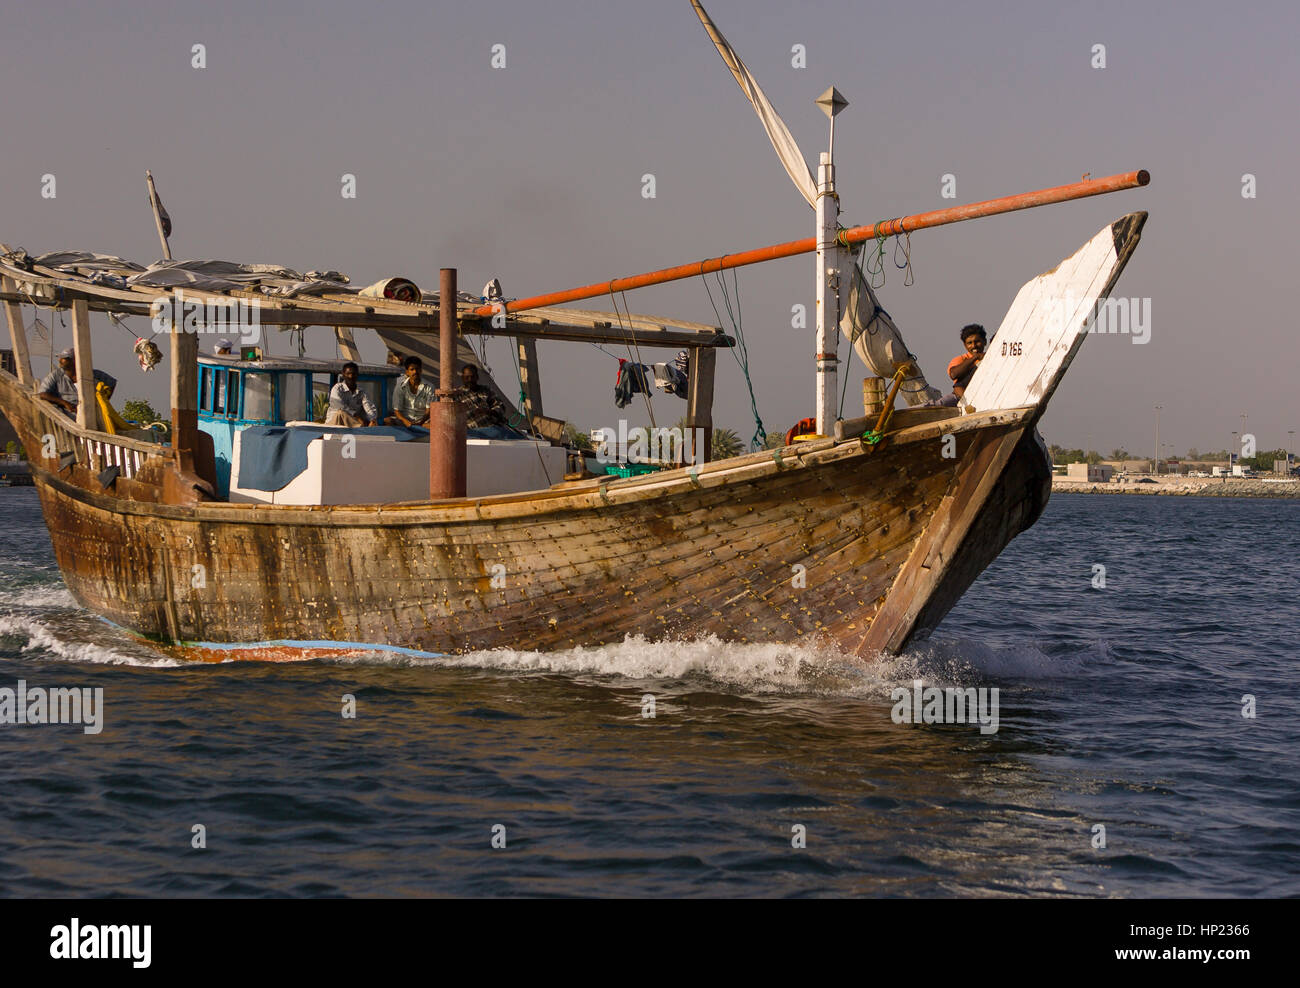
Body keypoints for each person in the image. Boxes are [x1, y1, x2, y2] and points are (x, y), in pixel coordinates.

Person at [36, 348, 117, 417]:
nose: (60, 360)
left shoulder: (91, 374)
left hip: (91, 416)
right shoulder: (56, 375)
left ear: (73, 360)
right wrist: (64, 403)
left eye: (64, 358)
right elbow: (42, 394)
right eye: (60, 357)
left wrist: (104, 401)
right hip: (68, 417)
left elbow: (112, 383)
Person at [453, 364, 519, 437]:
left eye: (472, 377)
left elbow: (501, 407)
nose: (470, 379)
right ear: (462, 378)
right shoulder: (458, 395)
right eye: (467, 377)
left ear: (477, 377)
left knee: (519, 437)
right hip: (475, 431)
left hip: (497, 427)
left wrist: (488, 411)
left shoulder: (486, 390)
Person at [324, 361, 378, 427]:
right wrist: (357, 417)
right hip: (334, 424)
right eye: (348, 373)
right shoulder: (337, 389)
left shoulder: (361, 392)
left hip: (351, 426)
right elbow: (341, 407)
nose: (351, 376)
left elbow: (368, 406)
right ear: (343, 375)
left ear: (357, 375)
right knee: (341, 413)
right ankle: (361, 428)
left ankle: (363, 429)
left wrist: (372, 419)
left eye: (353, 374)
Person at [387, 355, 436, 427]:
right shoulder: (400, 387)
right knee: (387, 421)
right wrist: (405, 421)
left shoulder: (429, 387)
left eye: (417, 369)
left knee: (436, 426)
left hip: (423, 423)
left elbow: (429, 410)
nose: (415, 372)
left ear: (421, 370)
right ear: (407, 372)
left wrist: (420, 422)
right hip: (405, 421)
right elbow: (397, 411)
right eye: (412, 369)